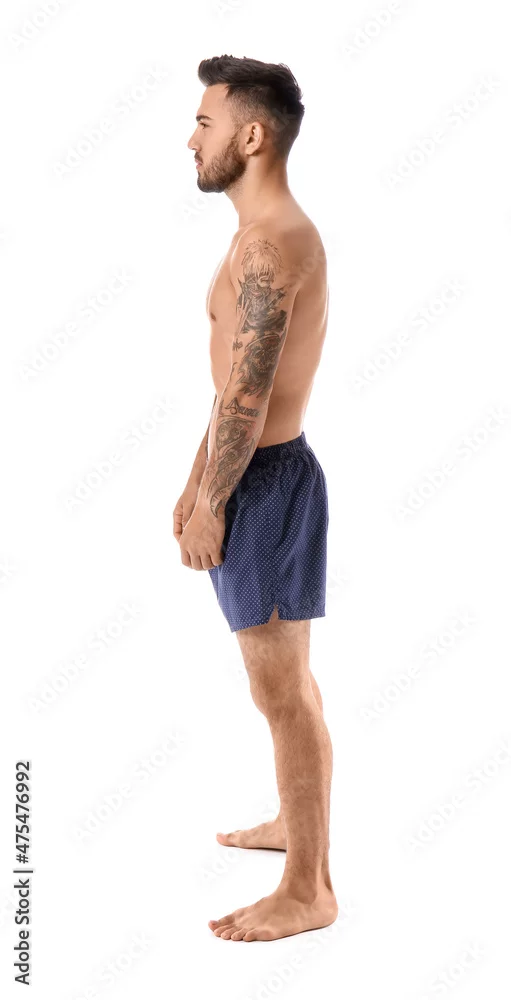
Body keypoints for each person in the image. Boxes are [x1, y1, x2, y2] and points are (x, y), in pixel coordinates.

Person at [173, 55, 336, 942]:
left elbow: (250, 393)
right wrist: (195, 479)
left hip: (264, 487)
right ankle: (291, 820)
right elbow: (231, 384)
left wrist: (216, 500)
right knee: (278, 686)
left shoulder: (273, 242)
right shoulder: (256, 237)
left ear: (250, 135)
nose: (190, 140)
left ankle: (308, 888)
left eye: (204, 124)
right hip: (252, 474)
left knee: (282, 693)